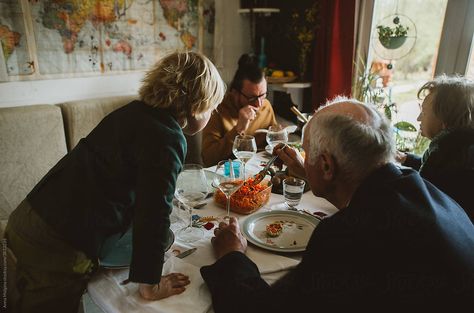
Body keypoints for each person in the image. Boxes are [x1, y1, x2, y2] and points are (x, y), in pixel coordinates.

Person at [200, 97, 474, 312]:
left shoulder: (344, 236)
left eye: (307, 153)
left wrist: (231, 257)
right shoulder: (422, 188)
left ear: (327, 165)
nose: (303, 160)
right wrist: (310, 173)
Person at [5, 51, 226, 313]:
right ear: (194, 104)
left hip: (28, 216)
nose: (212, 113)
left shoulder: (133, 112)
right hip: (58, 241)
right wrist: (150, 284)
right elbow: (154, 214)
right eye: (212, 106)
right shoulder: (168, 137)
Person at [397, 75, 474, 222]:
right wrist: (406, 159)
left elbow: (418, 203)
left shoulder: (448, 152)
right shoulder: (459, 147)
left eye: (424, 112)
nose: (419, 118)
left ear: (445, 119)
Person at [201, 53, 277, 166]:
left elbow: (273, 141)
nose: (259, 103)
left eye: (263, 95)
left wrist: (279, 134)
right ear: (235, 93)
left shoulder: (266, 106)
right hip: (227, 173)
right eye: (252, 98)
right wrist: (238, 129)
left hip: (260, 169)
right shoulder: (216, 110)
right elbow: (208, 158)